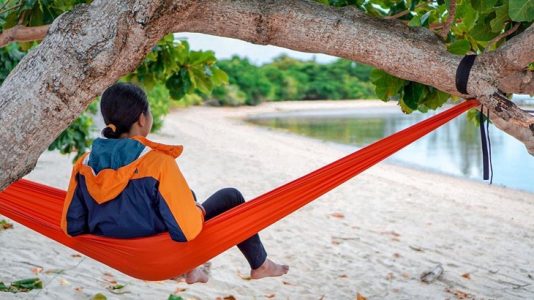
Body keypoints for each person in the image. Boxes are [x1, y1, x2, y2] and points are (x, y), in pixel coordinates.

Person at [60, 82, 288, 283]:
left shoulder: (84, 164)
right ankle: (260, 264)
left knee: (186, 193)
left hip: (120, 253)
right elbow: (186, 232)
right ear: (142, 118)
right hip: (159, 254)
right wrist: (196, 210)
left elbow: (72, 226)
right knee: (231, 196)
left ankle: (192, 270)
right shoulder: (157, 162)